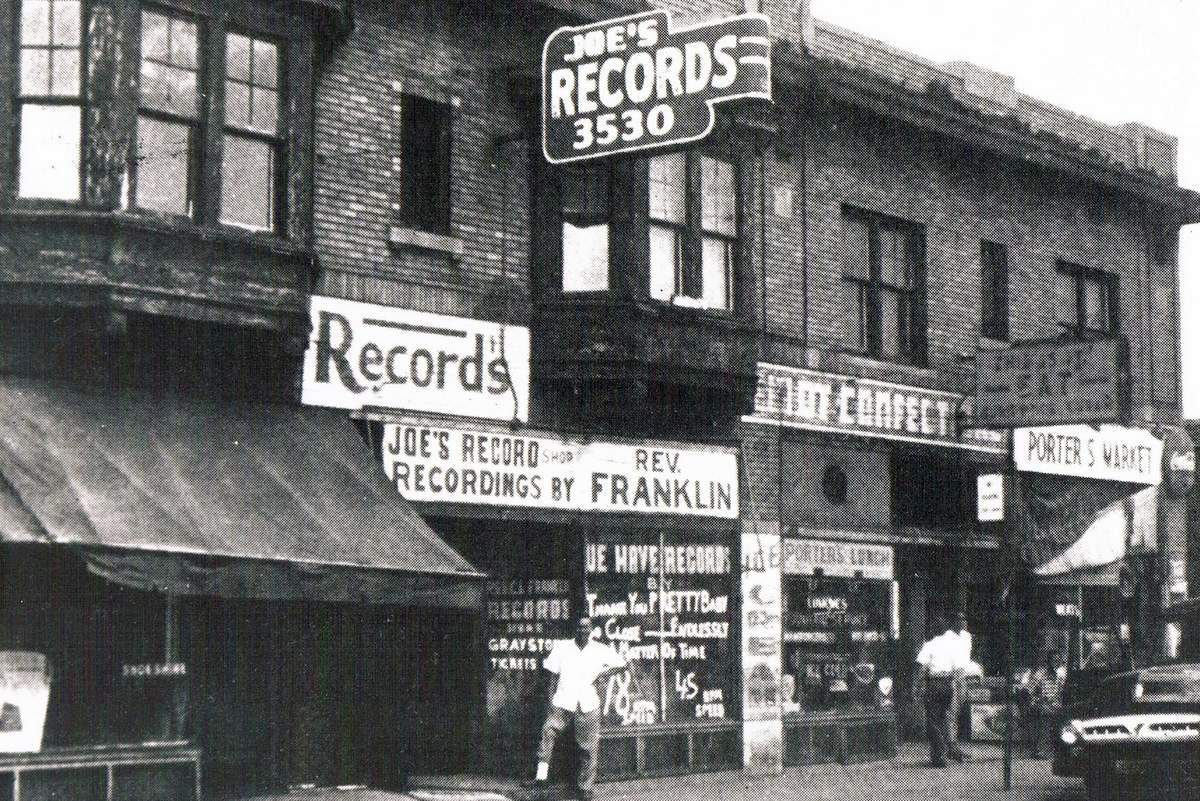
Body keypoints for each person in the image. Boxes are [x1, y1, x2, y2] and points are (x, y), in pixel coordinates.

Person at [524, 616, 625, 800]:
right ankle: (541, 777)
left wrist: (602, 674)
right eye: (579, 627)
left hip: (588, 703)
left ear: (592, 630)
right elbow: (552, 676)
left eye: (586, 628)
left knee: (588, 747)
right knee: (547, 732)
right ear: (575, 629)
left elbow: (621, 665)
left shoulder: (599, 649)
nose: (583, 631)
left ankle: (585, 787)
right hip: (563, 701)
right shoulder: (562, 647)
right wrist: (550, 701)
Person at [916, 612, 969, 767]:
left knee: (932, 720)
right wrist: (959, 688)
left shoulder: (929, 645)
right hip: (948, 684)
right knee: (944, 718)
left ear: (932, 630)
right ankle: (944, 751)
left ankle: (940, 754)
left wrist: (919, 687)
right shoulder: (952, 646)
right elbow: (959, 670)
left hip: (934, 684)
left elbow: (922, 669)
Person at [1027, 650, 1066, 759]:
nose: (1056, 663)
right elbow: (1029, 691)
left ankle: (1058, 749)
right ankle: (1040, 750)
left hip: (1056, 705)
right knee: (1046, 714)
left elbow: (1061, 692)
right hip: (1042, 704)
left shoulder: (1061, 675)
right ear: (1048, 662)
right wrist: (1039, 700)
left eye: (1058, 661)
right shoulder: (1040, 675)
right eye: (1053, 661)